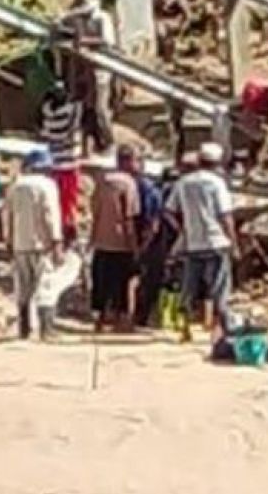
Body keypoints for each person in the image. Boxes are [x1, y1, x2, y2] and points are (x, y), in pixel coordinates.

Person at [166, 142, 239, 344]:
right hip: (216, 242)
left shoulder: (184, 182)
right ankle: (220, 332)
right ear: (217, 163)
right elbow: (226, 216)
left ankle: (185, 329)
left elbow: (169, 211)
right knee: (219, 289)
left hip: (193, 243)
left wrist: (183, 230)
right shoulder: (217, 184)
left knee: (188, 286)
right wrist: (234, 243)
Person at [5, 149, 63, 340]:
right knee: (45, 286)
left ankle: (24, 328)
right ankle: (46, 329)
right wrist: (56, 243)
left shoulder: (16, 186)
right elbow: (51, 215)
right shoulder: (48, 186)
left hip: (20, 244)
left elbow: (7, 215)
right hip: (41, 244)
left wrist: (8, 240)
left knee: (23, 287)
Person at [89, 144, 142, 332]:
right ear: (127, 162)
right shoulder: (129, 184)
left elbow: (94, 210)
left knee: (101, 282)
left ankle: (100, 319)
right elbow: (129, 216)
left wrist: (91, 238)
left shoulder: (102, 180)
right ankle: (121, 320)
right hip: (121, 242)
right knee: (121, 283)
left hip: (101, 241)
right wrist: (134, 246)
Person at [59, 0, 116, 156]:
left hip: (99, 70)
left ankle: (107, 142)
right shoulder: (76, 19)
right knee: (81, 108)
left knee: (99, 109)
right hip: (81, 69)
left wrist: (84, 41)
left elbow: (107, 41)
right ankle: (85, 147)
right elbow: (63, 27)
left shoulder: (102, 18)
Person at [39, 80, 83, 245]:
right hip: (69, 163)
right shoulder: (71, 112)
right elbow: (75, 123)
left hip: (53, 162)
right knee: (69, 202)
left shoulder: (47, 113)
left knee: (56, 200)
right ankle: (67, 232)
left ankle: (57, 230)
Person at [128, 152, 163, 324]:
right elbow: (154, 221)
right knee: (144, 278)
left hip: (139, 238)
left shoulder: (143, 188)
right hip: (145, 239)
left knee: (136, 277)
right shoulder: (149, 189)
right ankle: (139, 315)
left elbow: (152, 221)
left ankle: (134, 315)